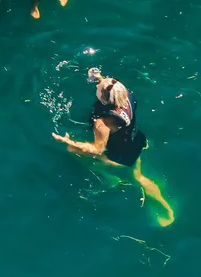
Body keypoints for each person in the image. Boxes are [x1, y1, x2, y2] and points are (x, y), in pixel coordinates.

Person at [52, 70, 175, 227]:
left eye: (99, 87)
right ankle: (165, 208)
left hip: (120, 153)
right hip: (136, 141)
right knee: (138, 177)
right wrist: (100, 79)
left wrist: (69, 141)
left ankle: (107, 175)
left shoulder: (102, 123)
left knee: (73, 151)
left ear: (104, 100)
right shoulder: (126, 96)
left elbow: (97, 149)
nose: (97, 86)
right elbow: (111, 90)